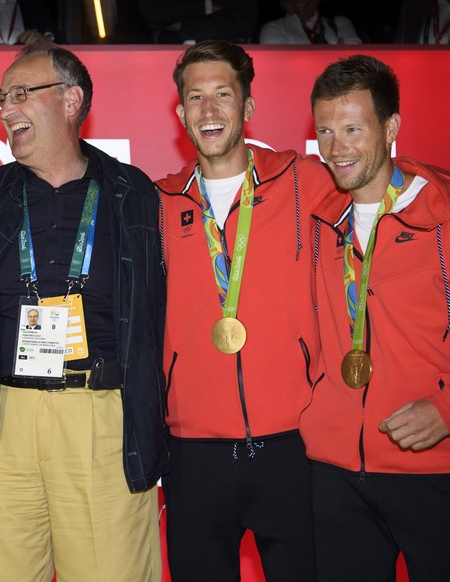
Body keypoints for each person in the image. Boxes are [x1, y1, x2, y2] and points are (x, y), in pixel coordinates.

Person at [0, 42, 166, 581]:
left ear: (72, 99)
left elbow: (158, 316)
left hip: (101, 418)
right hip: (6, 421)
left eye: (22, 94)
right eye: (2, 98)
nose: (6, 109)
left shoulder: (131, 193)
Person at [155, 40, 335, 581]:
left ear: (248, 108)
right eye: (196, 97)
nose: (209, 111)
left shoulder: (308, 181)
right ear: (181, 112)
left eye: (224, 95)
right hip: (194, 453)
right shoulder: (157, 202)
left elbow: (380, 176)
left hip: (294, 445)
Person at [303, 54, 450, 581]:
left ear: (391, 128)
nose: (337, 147)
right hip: (335, 471)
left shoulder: (442, 214)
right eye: (324, 130)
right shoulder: (318, 218)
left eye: (352, 129)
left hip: (433, 468)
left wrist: (448, 409)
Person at [140, 0, 259, 43]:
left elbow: (244, 21)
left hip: (225, 49)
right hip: (171, 49)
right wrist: (208, 7)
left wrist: (185, 26)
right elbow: (152, 10)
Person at [259, 0, 362, 44]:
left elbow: (357, 62)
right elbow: (283, 66)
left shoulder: (339, 23)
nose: (300, 1)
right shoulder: (272, 28)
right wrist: (340, 57)